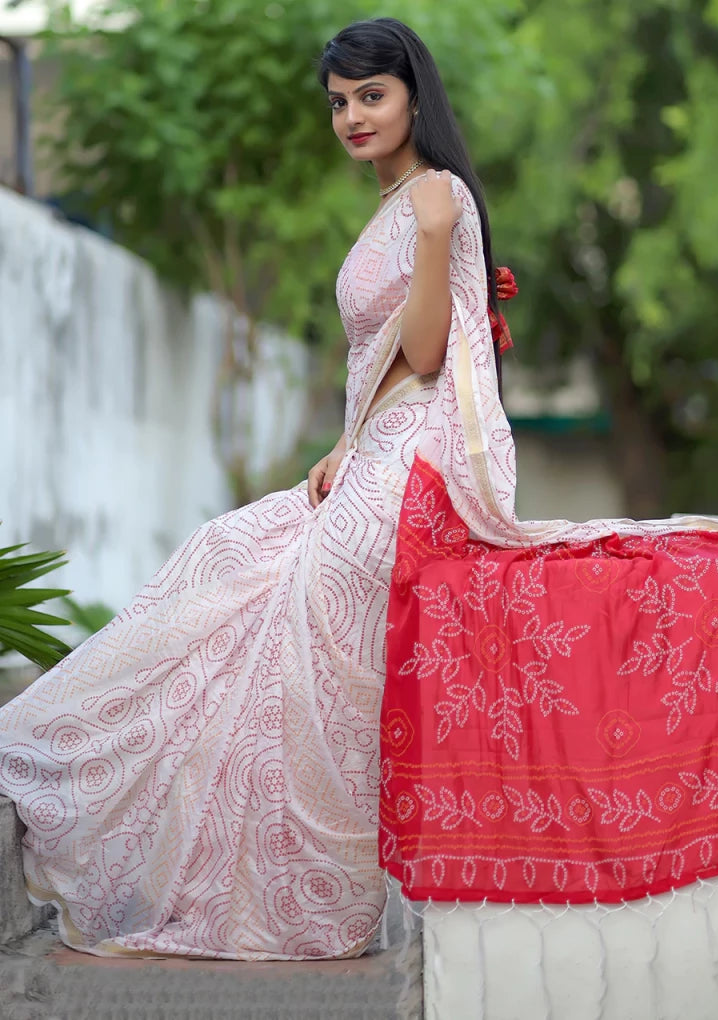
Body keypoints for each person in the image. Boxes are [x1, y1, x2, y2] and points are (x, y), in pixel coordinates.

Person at [0, 16, 519, 961]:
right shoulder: (392, 201)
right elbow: (380, 356)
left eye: (371, 95)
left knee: (290, 623)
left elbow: (435, 352)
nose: (352, 116)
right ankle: (121, 796)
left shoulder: (435, 198)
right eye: (339, 102)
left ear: (413, 96)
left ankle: (308, 900)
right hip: (377, 448)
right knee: (221, 554)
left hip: (423, 462)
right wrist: (343, 442)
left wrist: (440, 235)